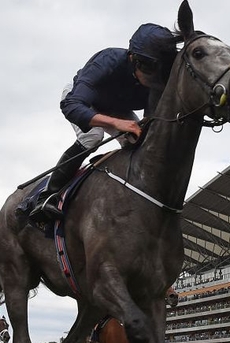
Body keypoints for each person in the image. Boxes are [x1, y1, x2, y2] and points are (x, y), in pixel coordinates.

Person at [30, 23, 179, 220]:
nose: (156, 79)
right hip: (81, 99)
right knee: (93, 137)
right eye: (152, 71)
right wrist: (117, 124)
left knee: (139, 142)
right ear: (133, 59)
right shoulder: (108, 60)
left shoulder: (158, 77)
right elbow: (72, 106)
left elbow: (151, 119)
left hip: (116, 107)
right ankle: (46, 197)